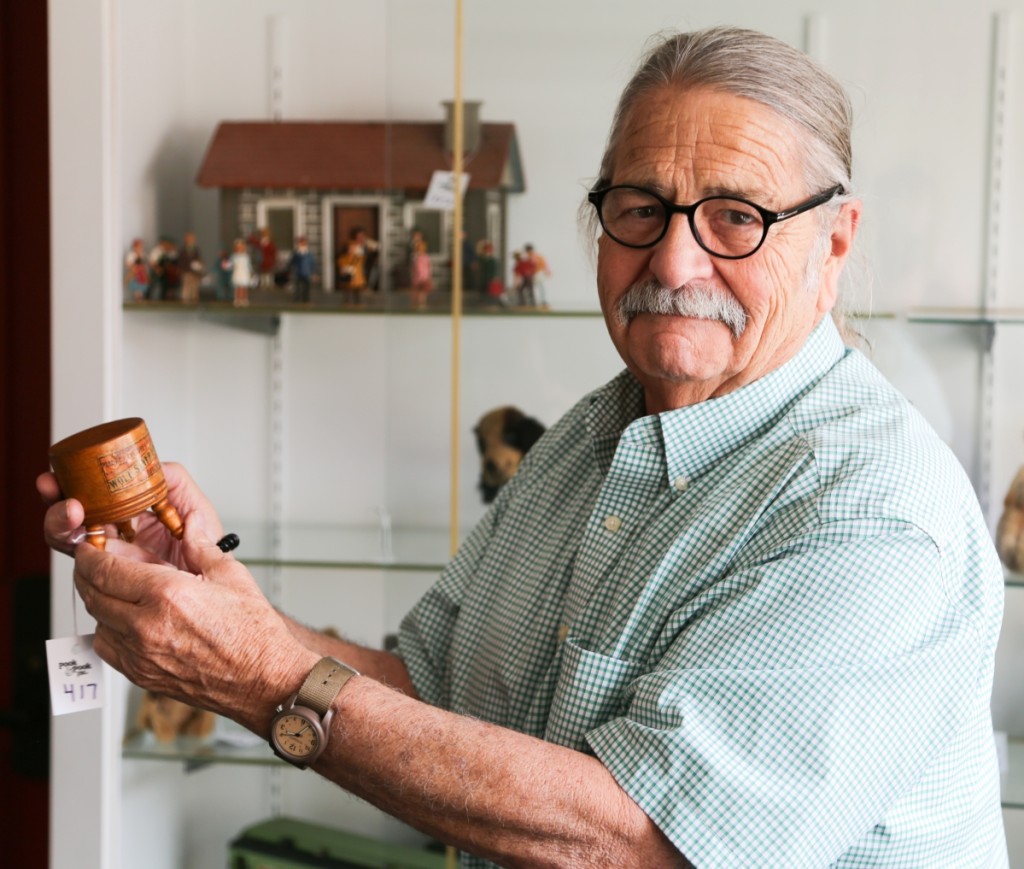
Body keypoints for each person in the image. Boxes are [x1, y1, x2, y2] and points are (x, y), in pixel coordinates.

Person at [39, 26, 1006, 868]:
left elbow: (642, 839)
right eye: (639, 207)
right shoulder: (592, 431)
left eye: (735, 217)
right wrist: (228, 611)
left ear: (834, 244)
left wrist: (255, 675)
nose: (673, 259)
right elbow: (435, 691)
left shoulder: (873, 510)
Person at [288, 235, 318, 304]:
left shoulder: (309, 254)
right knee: (297, 287)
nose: (301, 245)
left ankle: (306, 299)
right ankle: (297, 299)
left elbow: (312, 264)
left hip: (306, 272)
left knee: (306, 287)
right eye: (300, 243)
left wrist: (314, 273)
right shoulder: (296, 253)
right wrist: (290, 270)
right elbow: (292, 262)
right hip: (298, 272)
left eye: (302, 243)